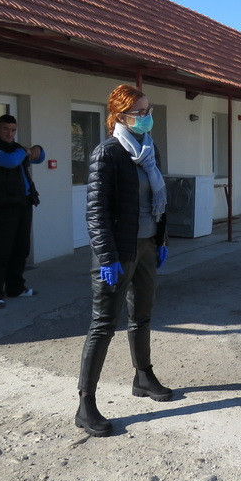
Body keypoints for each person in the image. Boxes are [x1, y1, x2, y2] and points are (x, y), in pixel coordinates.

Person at [75, 84, 172, 438]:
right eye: (139, 112)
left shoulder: (149, 150)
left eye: (148, 111)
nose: (146, 118)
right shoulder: (108, 153)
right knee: (103, 324)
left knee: (142, 315)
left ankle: (143, 377)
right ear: (119, 115)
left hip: (147, 245)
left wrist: (161, 240)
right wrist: (107, 256)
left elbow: (157, 198)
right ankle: (86, 404)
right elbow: (96, 211)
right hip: (117, 252)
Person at [0, 114, 44, 309]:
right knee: (0, 251)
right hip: (2, 208)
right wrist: (25, 150)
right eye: (6, 129)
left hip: (23, 204)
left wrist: (37, 148)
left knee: (21, 249)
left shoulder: (16, 148)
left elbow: (39, 158)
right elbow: (11, 161)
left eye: (13, 130)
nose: (10, 133)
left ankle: (16, 288)